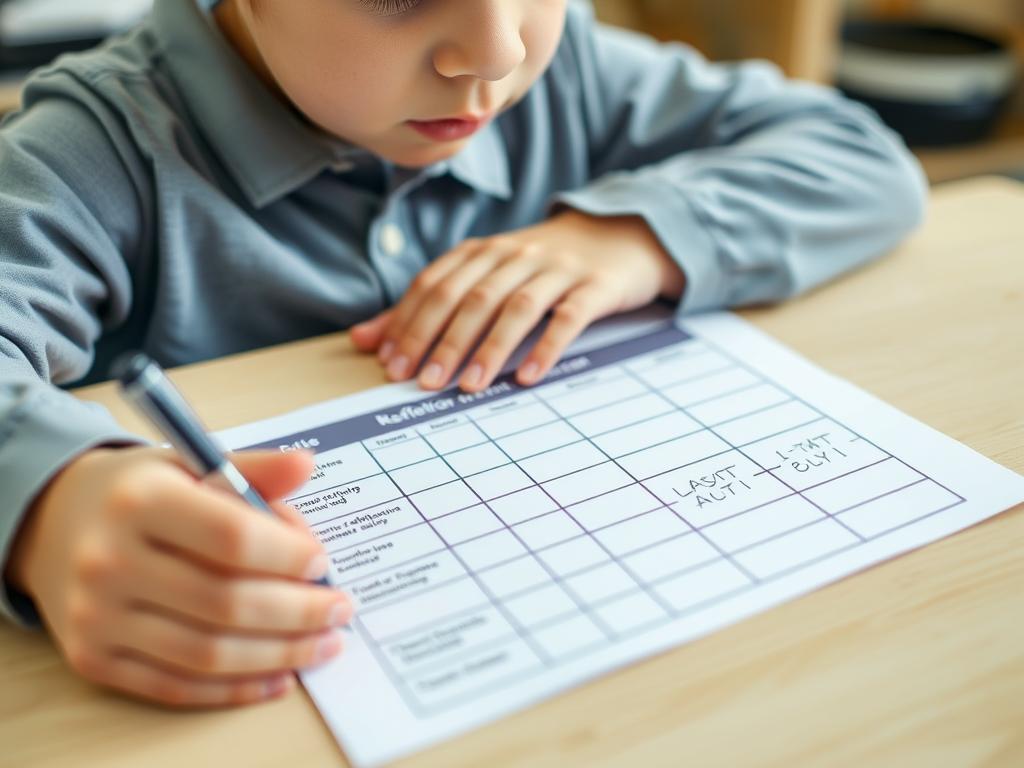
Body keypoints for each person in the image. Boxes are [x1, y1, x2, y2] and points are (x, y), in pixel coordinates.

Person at [0, 0, 927, 708]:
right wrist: (46, 500)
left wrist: (633, 235)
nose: (497, 52)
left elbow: (856, 152)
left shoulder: (574, 73)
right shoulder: (97, 144)